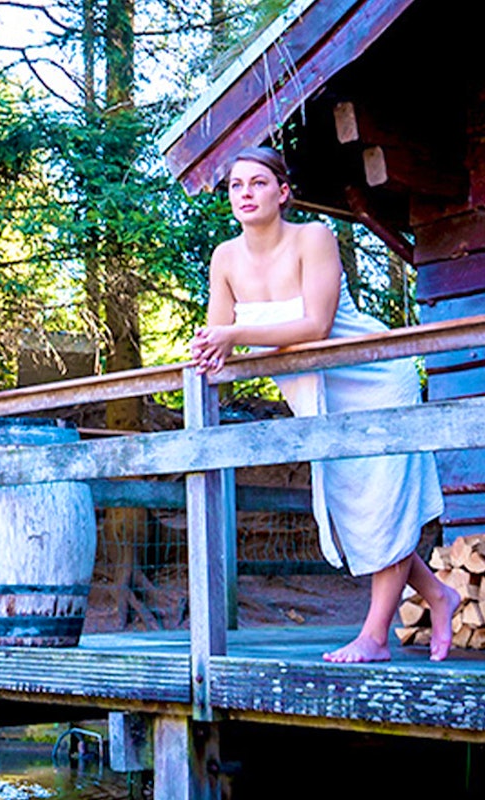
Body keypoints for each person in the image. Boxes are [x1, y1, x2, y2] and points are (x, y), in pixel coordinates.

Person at [188, 145, 457, 663]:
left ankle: (374, 636)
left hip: (372, 376)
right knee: (354, 509)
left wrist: (234, 334)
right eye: (236, 186)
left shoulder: (313, 238)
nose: (246, 193)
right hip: (314, 392)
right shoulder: (225, 258)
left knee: (382, 500)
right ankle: (439, 595)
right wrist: (208, 349)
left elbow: (315, 325)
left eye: (259, 183)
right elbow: (219, 337)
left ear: (283, 192)